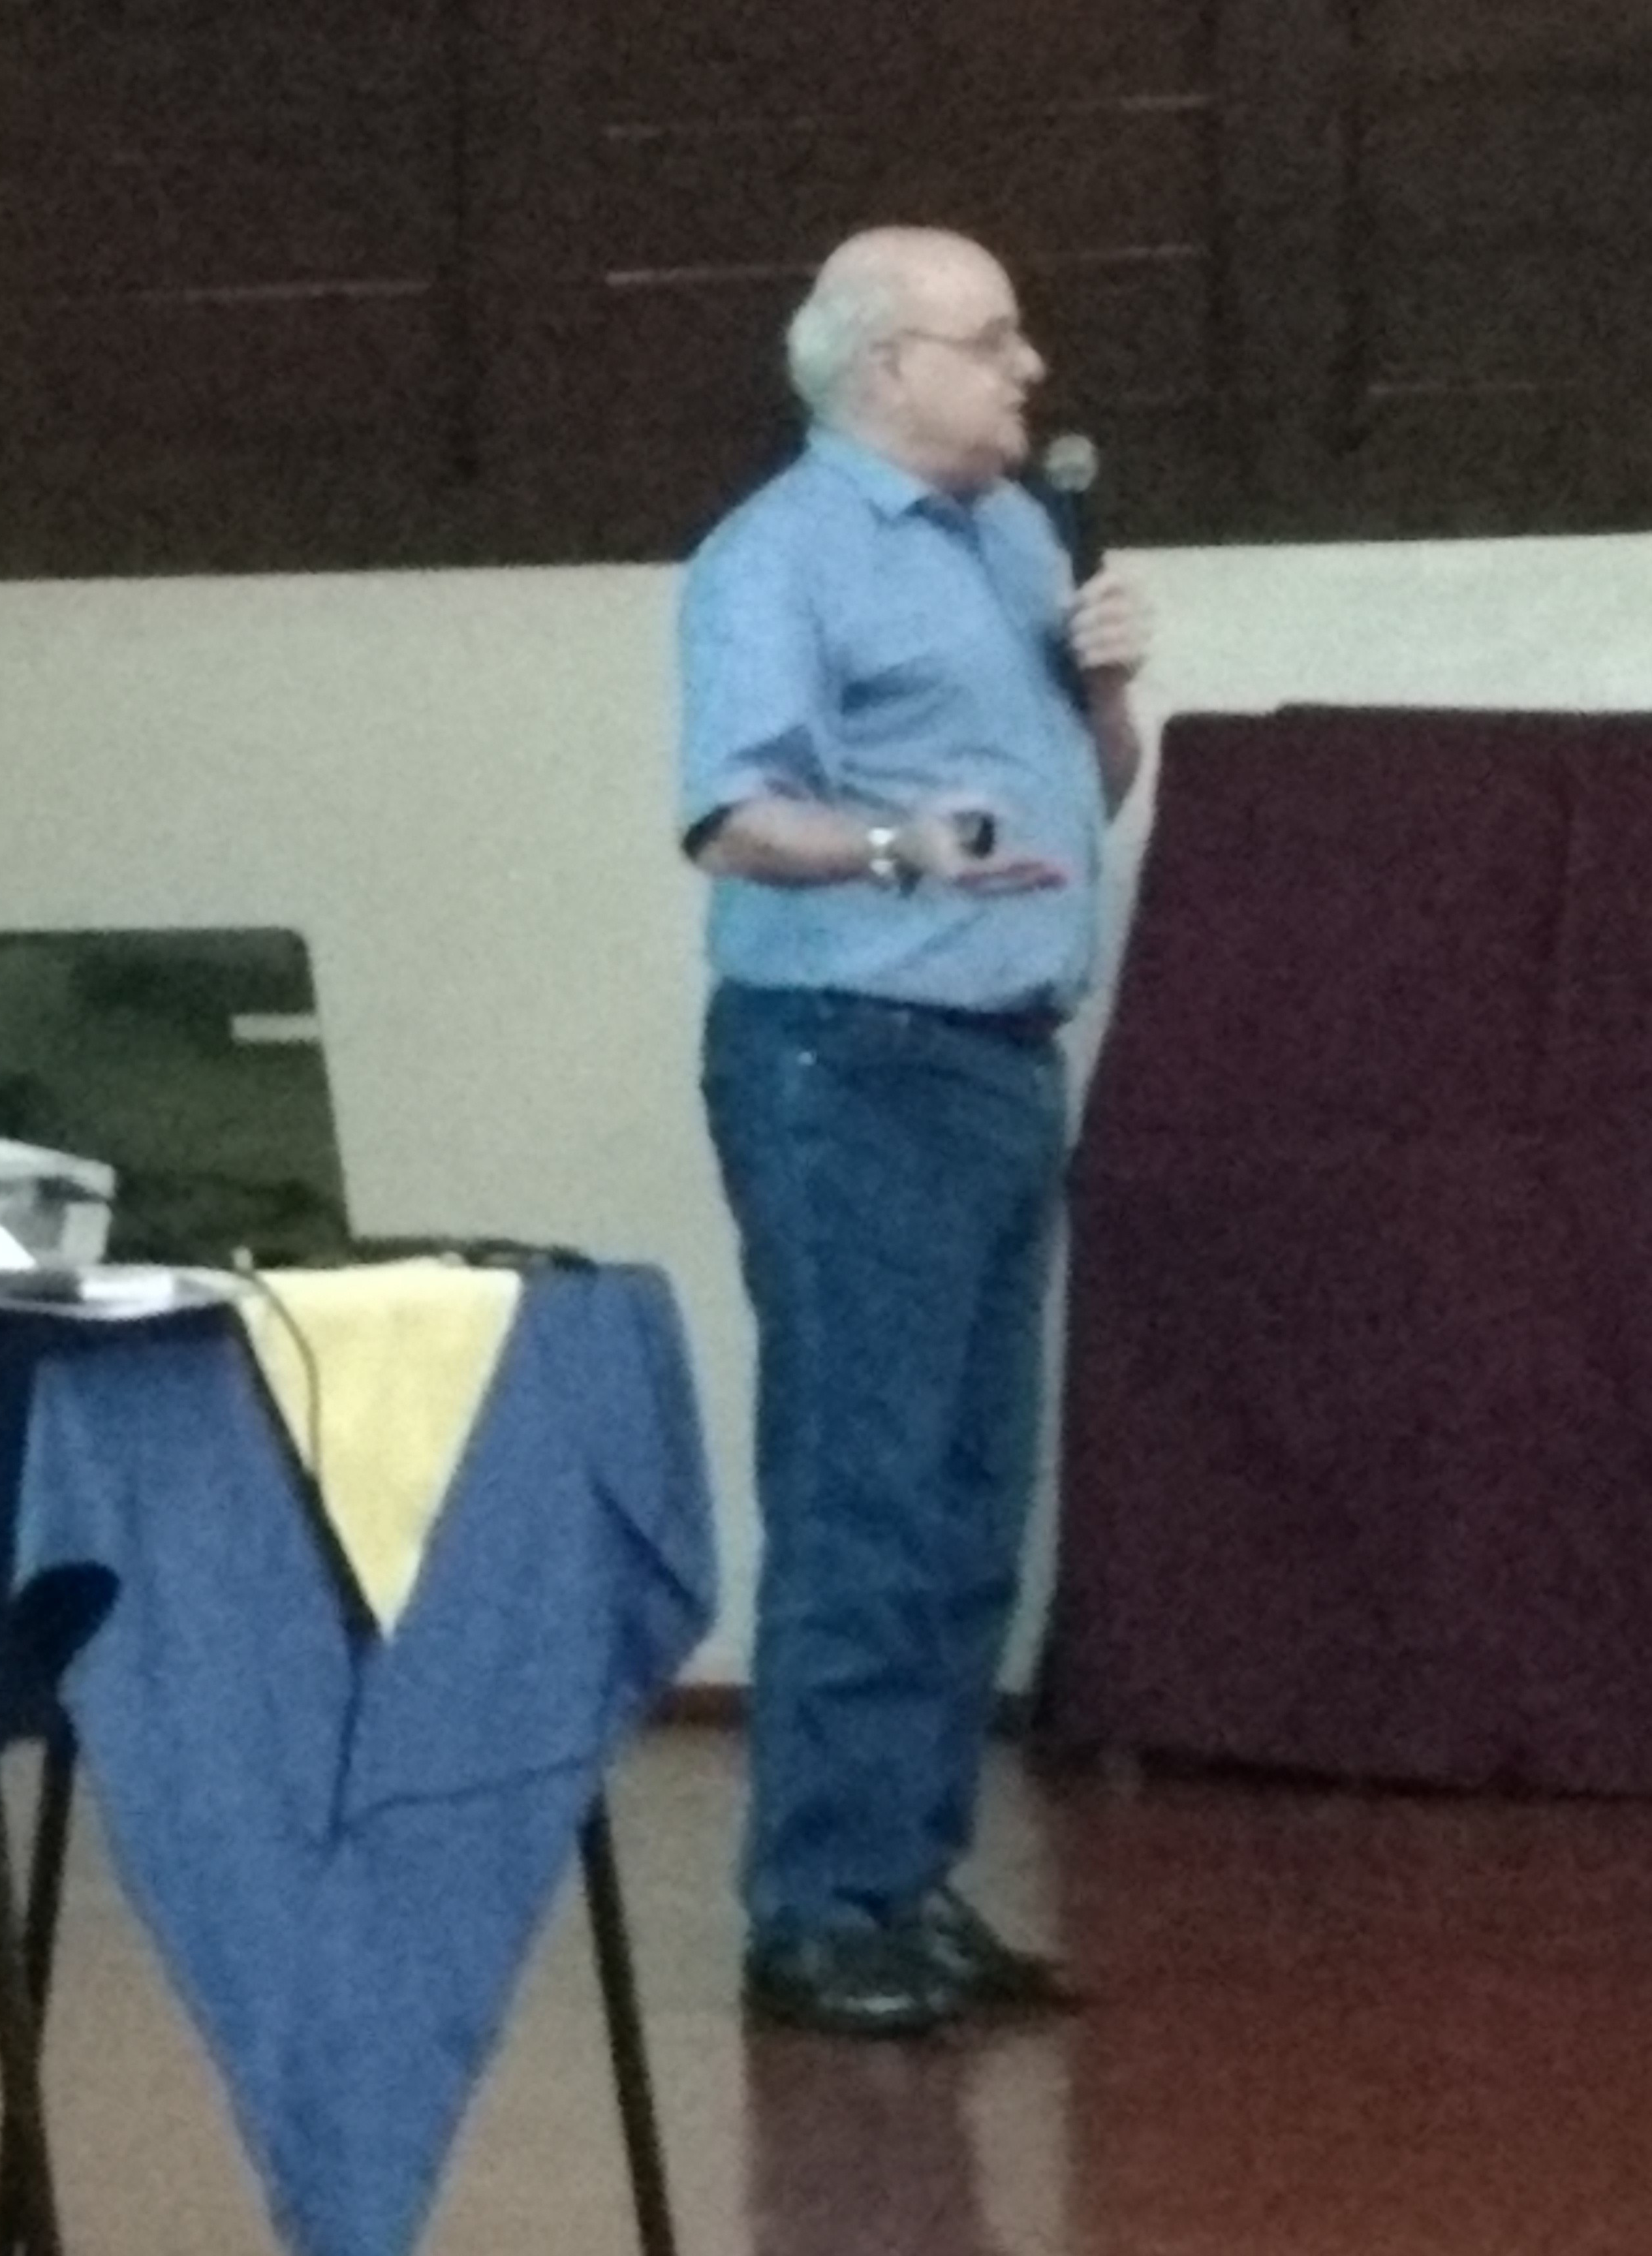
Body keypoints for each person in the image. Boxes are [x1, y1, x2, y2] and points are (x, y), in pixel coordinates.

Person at [673, 226, 1153, 2037]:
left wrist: (1104, 692)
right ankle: (813, 1915)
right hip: (846, 1063)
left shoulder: (1017, 539)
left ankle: (904, 1886)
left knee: (966, 1502)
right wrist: (895, 847)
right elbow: (730, 819)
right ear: (886, 367)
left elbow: (1082, 801)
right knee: (863, 1489)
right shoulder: (775, 558)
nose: (1032, 368)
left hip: (1001, 1060)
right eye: (995, 339)